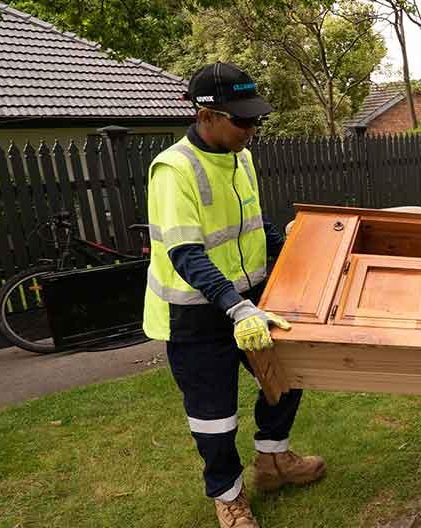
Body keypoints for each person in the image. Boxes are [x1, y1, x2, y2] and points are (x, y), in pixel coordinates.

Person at [142, 62, 324, 528]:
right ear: (206, 115)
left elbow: (249, 226)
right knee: (214, 415)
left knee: (285, 378)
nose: (251, 129)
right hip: (197, 316)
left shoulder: (240, 156)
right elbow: (185, 252)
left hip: (253, 299)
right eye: (241, 120)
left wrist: (290, 246)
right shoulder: (172, 169)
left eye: (255, 119)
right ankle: (228, 496)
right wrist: (236, 306)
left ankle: (274, 461)